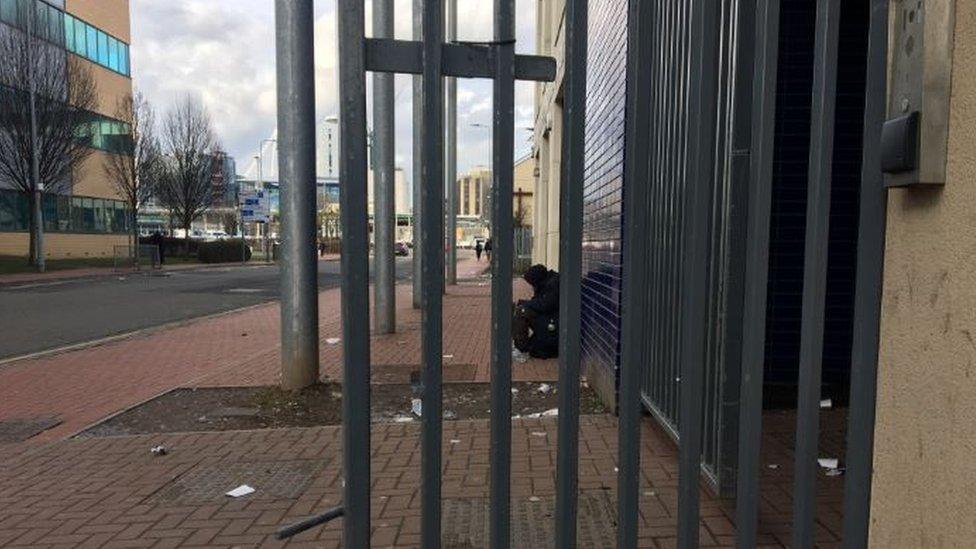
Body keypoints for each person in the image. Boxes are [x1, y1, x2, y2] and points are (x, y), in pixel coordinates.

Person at [513, 264, 559, 359]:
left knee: (522, 311)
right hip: (549, 317)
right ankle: (521, 344)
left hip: (553, 321)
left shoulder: (553, 284)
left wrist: (526, 303)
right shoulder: (545, 282)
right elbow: (539, 301)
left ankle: (522, 347)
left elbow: (545, 305)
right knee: (520, 309)